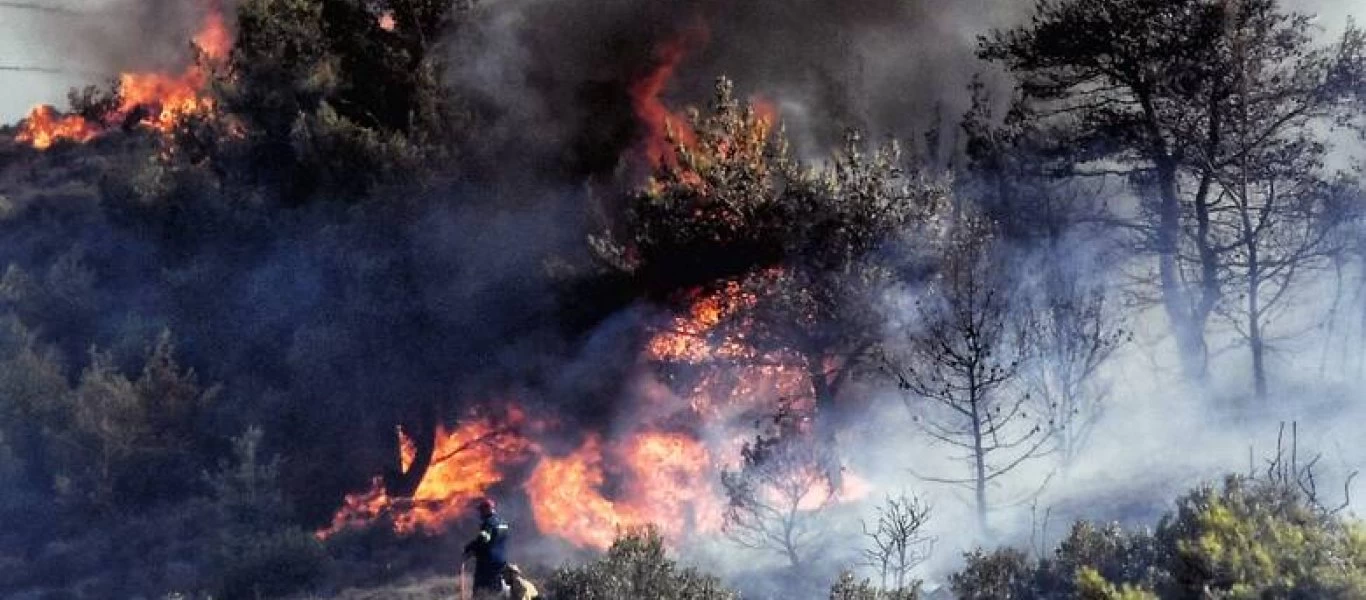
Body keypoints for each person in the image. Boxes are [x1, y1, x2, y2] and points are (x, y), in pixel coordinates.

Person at [463, 497, 510, 595]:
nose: (480, 514)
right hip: (501, 560)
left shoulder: (488, 523)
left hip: (487, 562)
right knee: (496, 588)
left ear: (487, 510)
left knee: (480, 589)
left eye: (481, 511)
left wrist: (470, 548)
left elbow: (483, 540)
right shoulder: (503, 522)